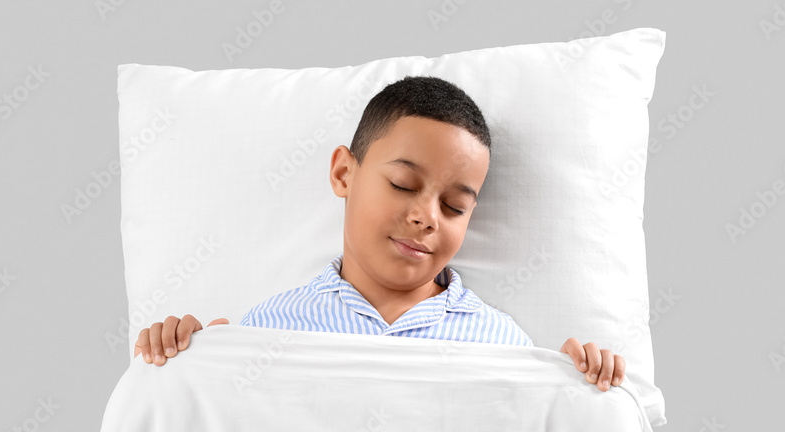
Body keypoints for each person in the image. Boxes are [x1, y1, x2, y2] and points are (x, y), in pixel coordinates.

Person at [133, 75, 624, 392]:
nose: (427, 217)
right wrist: (188, 357)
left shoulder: (502, 343)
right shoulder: (268, 327)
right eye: (402, 185)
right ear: (344, 174)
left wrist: (574, 384)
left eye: (454, 207)